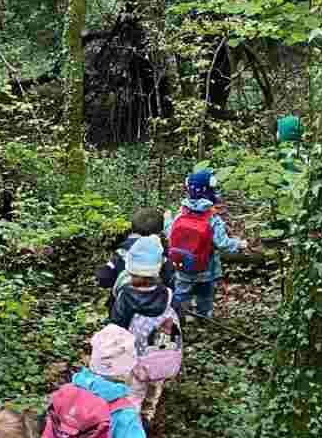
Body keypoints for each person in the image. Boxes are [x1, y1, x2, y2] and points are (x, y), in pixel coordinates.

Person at [109, 236, 182, 422]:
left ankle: (132, 421)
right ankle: (148, 413)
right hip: (160, 353)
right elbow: (179, 320)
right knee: (155, 384)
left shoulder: (125, 296)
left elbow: (118, 324)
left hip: (136, 356)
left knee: (134, 390)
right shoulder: (168, 294)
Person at [166, 170, 247, 318]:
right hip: (205, 269)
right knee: (205, 295)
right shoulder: (212, 218)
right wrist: (239, 244)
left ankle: (178, 317)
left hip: (181, 266)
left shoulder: (181, 212)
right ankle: (204, 317)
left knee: (181, 293)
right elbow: (222, 243)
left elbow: (170, 233)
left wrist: (166, 219)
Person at [97, 207, 175, 311]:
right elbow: (170, 281)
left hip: (123, 305)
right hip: (154, 306)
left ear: (133, 229)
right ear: (160, 232)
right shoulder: (162, 256)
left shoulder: (121, 253)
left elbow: (104, 278)